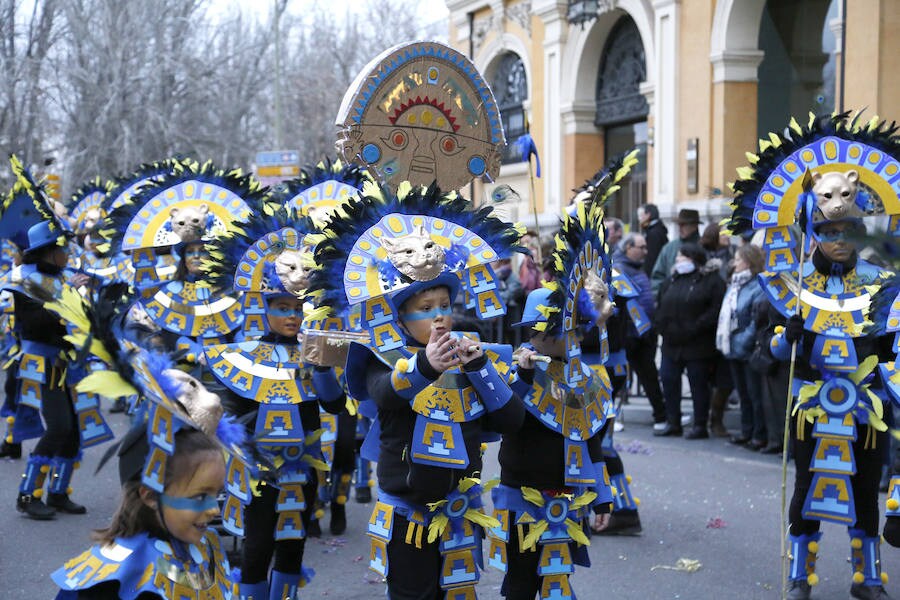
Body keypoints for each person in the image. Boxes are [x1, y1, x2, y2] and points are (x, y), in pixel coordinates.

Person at [307, 182, 528, 600]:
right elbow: (383, 395)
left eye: (444, 306)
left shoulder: (471, 352)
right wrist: (426, 365)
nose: (440, 318)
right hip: (408, 510)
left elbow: (512, 420)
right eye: (426, 310)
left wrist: (480, 366)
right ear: (401, 317)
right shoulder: (379, 355)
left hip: (461, 509)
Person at [726, 112, 900, 600]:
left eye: (847, 230)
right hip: (810, 408)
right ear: (813, 229)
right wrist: (791, 335)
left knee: (867, 489)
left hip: (867, 409)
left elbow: (891, 350)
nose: (838, 240)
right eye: (828, 232)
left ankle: (868, 579)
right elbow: (767, 353)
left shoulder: (884, 283)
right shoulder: (790, 285)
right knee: (806, 489)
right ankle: (800, 575)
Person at [491, 198, 616, 598]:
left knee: (558, 578)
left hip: (567, 496)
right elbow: (505, 421)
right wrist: (524, 379)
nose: (565, 340)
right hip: (521, 495)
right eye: (550, 333)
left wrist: (602, 496)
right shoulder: (515, 370)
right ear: (531, 334)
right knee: (521, 580)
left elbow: (591, 437)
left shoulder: (585, 377)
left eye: (572, 332)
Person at [654, 243, 725, 438]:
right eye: (678, 258)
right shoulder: (671, 281)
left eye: (683, 258)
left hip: (698, 344)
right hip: (671, 343)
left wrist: (693, 328)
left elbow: (714, 310)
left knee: (698, 385)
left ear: (695, 259)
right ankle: (673, 421)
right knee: (668, 380)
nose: (679, 262)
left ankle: (700, 424)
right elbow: (660, 306)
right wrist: (663, 328)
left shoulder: (711, 281)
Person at [614, 232, 667, 430]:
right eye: (641, 247)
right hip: (629, 333)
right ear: (628, 248)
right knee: (620, 377)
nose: (645, 251)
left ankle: (661, 416)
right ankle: (614, 417)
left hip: (644, 332)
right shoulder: (618, 268)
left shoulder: (636, 267)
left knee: (649, 376)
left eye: (646, 247)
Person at [715, 244, 765, 445]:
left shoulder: (757, 285)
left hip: (747, 347)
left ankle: (758, 434)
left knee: (754, 394)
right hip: (732, 347)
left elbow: (756, 319)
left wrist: (744, 341)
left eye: (738, 259)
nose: (734, 263)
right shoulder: (735, 284)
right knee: (743, 394)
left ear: (749, 262)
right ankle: (746, 431)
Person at [651, 208, 702, 294]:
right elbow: (657, 277)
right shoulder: (669, 248)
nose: (680, 228)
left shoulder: (704, 246)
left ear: (695, 226)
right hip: (671, 301)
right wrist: (661, 297)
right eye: (679, 225)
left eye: (684, 225)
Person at [638, 203, 667, 277]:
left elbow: (651, 259)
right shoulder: (657, 229)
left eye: (640, 215)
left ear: (648, 215)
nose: (639, 219)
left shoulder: (653, 233)